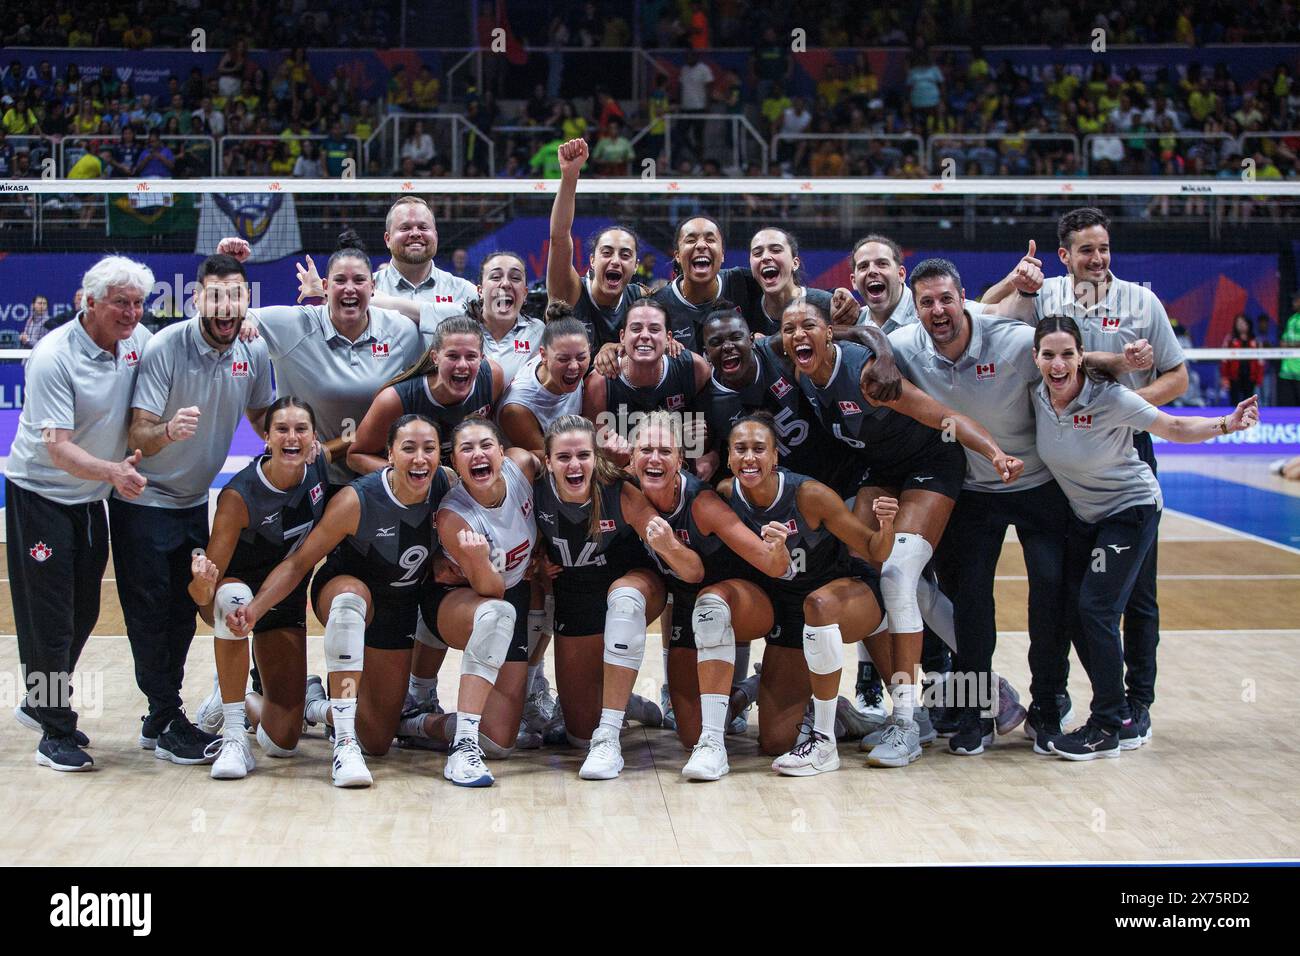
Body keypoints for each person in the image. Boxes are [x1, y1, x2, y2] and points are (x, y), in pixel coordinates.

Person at [880, 258, 1154, 753]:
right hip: (974, 492)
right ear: (914, 306)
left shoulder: (1009, 338)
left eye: (947, 299)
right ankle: (974, 713)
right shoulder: (905, 347)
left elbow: (1069, 361)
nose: (938, 310)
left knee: (1050, 602)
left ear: (963, 297)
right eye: (926, 302)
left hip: (1039, 487)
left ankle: (1048, 707)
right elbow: (870, 353)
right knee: (970, 610)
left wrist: (1121, 363)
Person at [783, 299, 1023, 766]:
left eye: (808, 325)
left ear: (829, 332)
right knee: (872, 571)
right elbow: (788, 338)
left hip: (931, 467)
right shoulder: (801, 371)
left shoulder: (871, 378)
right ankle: (979, 690)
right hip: (882, 471)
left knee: (895, 573)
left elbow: (942, 417)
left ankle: (907, 724)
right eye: (789, 329)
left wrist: (994, 453)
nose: (798, 335)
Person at [992, 208, 1189, 742]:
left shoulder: (1143, 302)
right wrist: (1015, 280)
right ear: (1064, 256)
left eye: (1103, 248)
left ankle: (1136, 705)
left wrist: (1119, 409)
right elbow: (982, 318)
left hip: (1125, 452)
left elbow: (1178, 376)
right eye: (1086, 250)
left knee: (1136, 595)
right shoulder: (1044, 296)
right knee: (1060, 593)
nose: (1097, 258)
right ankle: (1053, 700)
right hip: (1060, 465)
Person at [1031, 316, 1258, 758]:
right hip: (1086, 515)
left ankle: (1107, 725)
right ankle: (1115, 712)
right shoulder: (1035, 394)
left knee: (1096, 608)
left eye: (1067, 355)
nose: (1058, 364)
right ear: (1036, 358)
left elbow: (1173, 428)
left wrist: (1227, 424)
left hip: (1128, 510)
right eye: (1048, 355)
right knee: (1076, 613)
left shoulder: (1110, 398)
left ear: (1081, 358)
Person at [227, 414, 452, 787]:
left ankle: (315, 706)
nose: (420, 458)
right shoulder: (357, 500)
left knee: (378, 741)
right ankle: (342, 744)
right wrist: (255, 609)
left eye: (429, 449)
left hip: (397, 608)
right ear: (390, 454)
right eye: (408, 448)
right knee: (351, 601)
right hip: (343, 589)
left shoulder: (445, 485)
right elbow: (299, 563)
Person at [112, 253, 273, 765]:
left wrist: (293, 439)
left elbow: (261, 412)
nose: (226, 307)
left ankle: (161, 717)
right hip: (144, 500)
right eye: (215, 296)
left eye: (235, 297)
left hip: (191, 502)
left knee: (184, 609)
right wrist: (167, 430)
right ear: (197, 298)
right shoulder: (166, 347)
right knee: (151, 611)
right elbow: (139, 432)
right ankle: (164, 716)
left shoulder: (253, 348)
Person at [5, 256, 153, 772]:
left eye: (138, 303)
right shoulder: (53, 357)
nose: (132, 313)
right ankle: (54, 729)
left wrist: (239, 312)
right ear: (87, 302)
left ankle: (39, 701)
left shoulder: (136, 342)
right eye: (120, 302)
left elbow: (184, 342)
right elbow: (58, 450)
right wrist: (114, 472)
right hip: (42, 497)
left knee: (84, 610)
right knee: (49, 620)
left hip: (89, 500)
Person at [717, 414, 897, 774]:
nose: (749, 458)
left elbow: (874, 550)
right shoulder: (726, 495)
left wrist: (887, 525)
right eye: (741, 449)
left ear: (775, 457)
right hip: (788, 610)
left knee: (818, 604)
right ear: (729, 457)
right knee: (775, 742)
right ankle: (838, 713)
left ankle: (825, 742)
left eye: (759, 449)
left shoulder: (809, 495)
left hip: (844, 590)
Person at [189, 398, 332, 779]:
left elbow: (349, 444)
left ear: (314, 439)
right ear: (266, 438)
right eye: (281, 429)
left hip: (283, 599)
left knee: (283, 742)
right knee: (231, 597)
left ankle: (233, 696)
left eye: (301, 429)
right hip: (235, 597)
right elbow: (204, 599)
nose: (291, 437)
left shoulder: (318, 466)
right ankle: (234, 736)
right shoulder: (239, 496)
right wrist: (203, 585)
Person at [396, 419, 540, 786]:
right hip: (463, 599)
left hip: (513, 592)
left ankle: (417, 724)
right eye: (466, 449)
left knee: (501, 740)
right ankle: (462, 746)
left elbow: (559, 470)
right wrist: (476, 561)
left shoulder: (523, 466)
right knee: (498, 612)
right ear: (455, 466)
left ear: (502, 452)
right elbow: (491, 589)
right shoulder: (453, 516)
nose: (478, 454)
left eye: (486, 445)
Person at [529, 416, 678, 763]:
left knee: (624, 601)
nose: (574, 464)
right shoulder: (535, 490)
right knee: (578, 738)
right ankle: (623, 699)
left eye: (583, 455)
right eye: (563, 457)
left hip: (630, 586)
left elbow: (670, 548)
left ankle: (610, 729)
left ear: (596, 458)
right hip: (575, 597)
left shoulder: (619, 489)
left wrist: (673, 550)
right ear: (548, 461)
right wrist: (535, 562)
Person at [226, 230, 423, 487]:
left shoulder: (402, 331)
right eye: (340, 280)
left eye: (359, 280)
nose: (349, 288)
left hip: (380, 479)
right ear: (326, 287)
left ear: (373, 288)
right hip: (309, 478)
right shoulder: (295, 325)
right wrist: (227, 268)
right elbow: (222, 317)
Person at [547, 138, 647, 349]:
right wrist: (570, 176)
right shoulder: (570, 291)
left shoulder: (642, 299)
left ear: (636, 265)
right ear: (592, 260)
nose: (615, 261)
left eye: (625, 255)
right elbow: (559, 237)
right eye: (607, 252)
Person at [498, 308, 595, 457]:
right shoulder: (516, 409)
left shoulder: (565, 356)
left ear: (589, 351)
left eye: (581, 357)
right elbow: (552, 462)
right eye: (563, 359)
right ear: (543, 355)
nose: (574, 366)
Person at [1220, 314, 1264, 406]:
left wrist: (1259, 378)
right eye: (1238, 323)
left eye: (1243, 323)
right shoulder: (1230, 339)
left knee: (1250, 402)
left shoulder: (1255, 340)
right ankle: (1234, 420)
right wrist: (1225, 377)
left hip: (1250, 376)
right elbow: (1224, 360)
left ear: (1248, 324)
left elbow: (1260, 361)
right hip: (1234, 376)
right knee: (1234, 402)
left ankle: (1248, 420)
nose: (1240, 325)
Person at [1278, 291, 1300, 406]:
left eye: (1296, 300)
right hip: (1287, 370)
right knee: (1289, 404)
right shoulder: (1292, 319)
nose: (1293, 303)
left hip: (1299, 369)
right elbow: (1283, 342)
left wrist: (1290, 345)